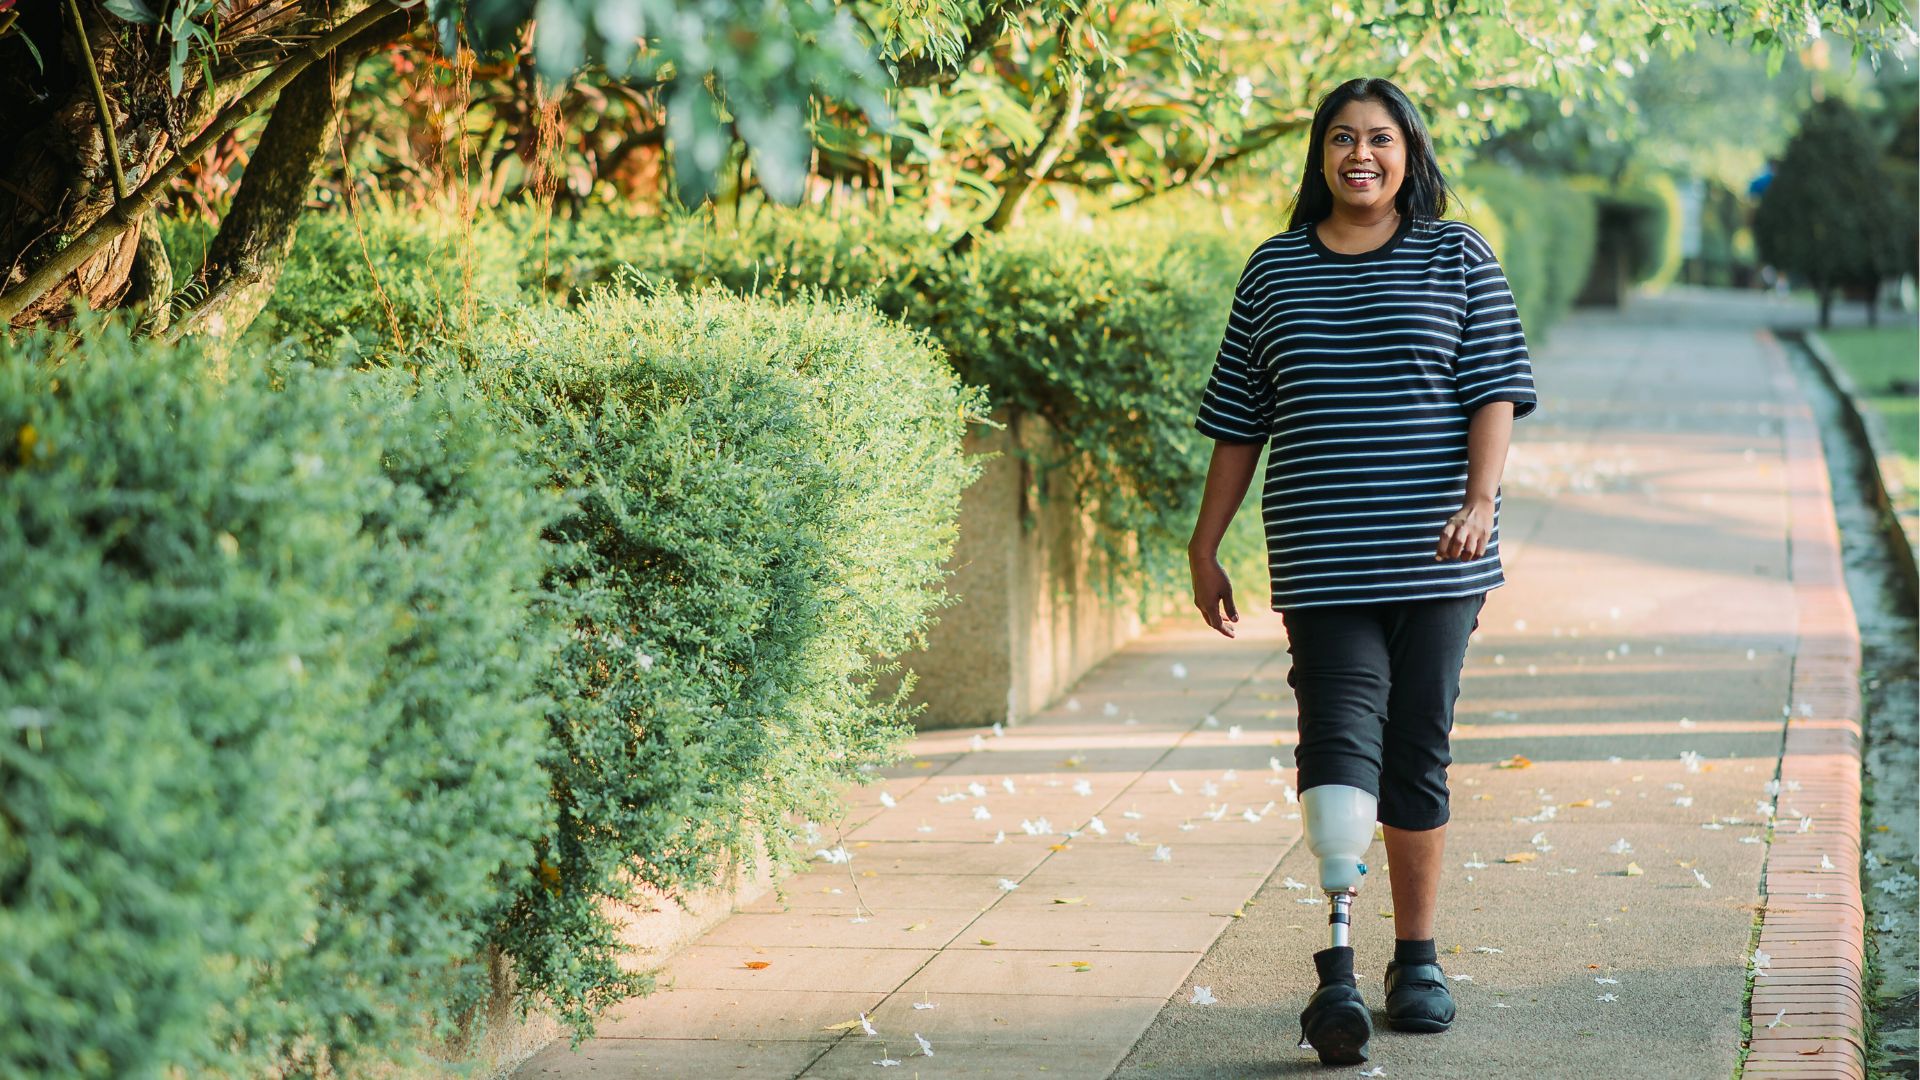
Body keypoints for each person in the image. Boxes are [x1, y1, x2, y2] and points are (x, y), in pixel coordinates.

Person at [1185, 76, 1538, 1066]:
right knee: (1338, 742)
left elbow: (1495, 389)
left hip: (1436, 557)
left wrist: (1479, 501)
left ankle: (1415, 959)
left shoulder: (1456, 254)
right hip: (1321, 556)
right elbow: (1238, 420)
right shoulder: (1275, 270)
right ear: (1320, 156)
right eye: (1342, 138)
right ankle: (1335, 964)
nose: (1360, 156)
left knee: (1416, 746)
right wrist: (1205, 544)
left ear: (1408, 152)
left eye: (1380, 138)